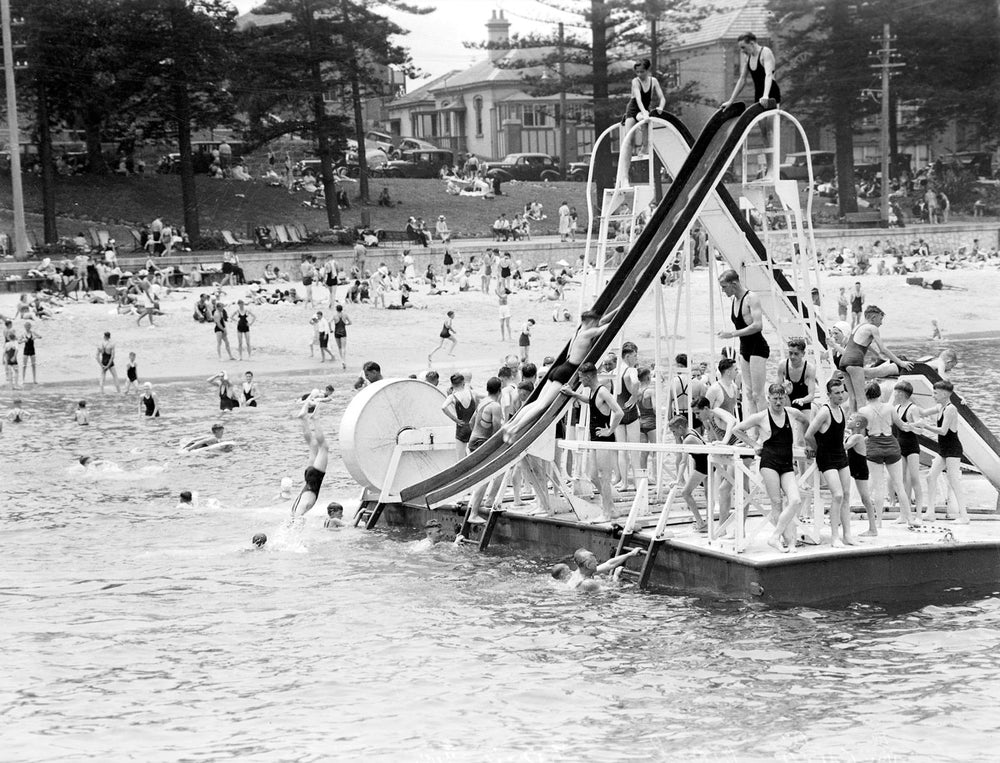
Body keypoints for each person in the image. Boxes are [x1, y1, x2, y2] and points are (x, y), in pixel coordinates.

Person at [503, 306, 621, 442]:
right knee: (542, 406)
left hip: (559, 368)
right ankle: (514, 430)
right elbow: (605, 326)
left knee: (537, 402)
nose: (596, 324)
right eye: (594, 322)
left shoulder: (580, 330)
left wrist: (616, 308)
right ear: (590, 322)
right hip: (567, 372)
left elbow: (602, 321)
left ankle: (511, 424)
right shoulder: (587, 333)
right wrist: (621, 310)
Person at [732, 383, 812, 552]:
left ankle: (775, 536)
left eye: (781, 398)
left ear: (785, 398)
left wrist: (804, 442)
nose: (778, 402)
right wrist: (754, 444)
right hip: (769, 462)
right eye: (774, 399)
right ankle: (788, 541)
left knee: (795, 500)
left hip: (787, 462)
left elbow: (806, 421)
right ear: (768, 399)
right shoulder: (761, 417)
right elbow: (737, 429)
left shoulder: (792, 413)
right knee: (776, 502)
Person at [561, 362, 624, 521]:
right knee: (593, 475)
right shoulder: (593, 391)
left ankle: (607, 513)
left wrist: (609, 430)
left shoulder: (602, 391)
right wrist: (573, 394)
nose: (581, 381)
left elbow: (619, 412)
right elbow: (591, 402)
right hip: (594, 439)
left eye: (581, 378)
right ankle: (611, 507)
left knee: (604, 477)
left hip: (604, 439)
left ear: (589, 376)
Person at [803, 378, 855, 546]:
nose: (840, 396)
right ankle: (834, 537)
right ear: (829, 395)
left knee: (846, 495)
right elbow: (809, 434)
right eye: (837, 393)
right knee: (837, 495)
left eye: (842, 392)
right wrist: (817, 449)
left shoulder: (841, 409)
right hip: (826, 457)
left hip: (840, 454)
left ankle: (847, 535)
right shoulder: (825, 412)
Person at [858, 380, 917, 526]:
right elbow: (902, 427)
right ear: (879, 393)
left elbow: (860, 434)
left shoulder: (863, 411)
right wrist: (917, 426)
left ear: (866, 395)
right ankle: (909, 518)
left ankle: (878, 522)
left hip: (874, 446)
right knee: (899, 485)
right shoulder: (890, 408)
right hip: (891, 445)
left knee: (878, 486)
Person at [721, 31, 781, 170]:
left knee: (771, 130)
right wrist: (731, 100)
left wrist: (766, 95)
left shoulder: (765, 53)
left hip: (771, 93)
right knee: (764, 133)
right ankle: (769, 168)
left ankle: (775, 168)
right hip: (759, 94)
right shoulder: (748, 58)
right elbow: (742, 79)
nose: (742, 51)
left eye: (743, 47)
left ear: (752, 43)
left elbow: (768, 75)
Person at [838, 305, 912, 411]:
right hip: (854, 362)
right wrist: (901, 363)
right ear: (873, 317)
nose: (881, 323)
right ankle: (861, 426)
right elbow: (883, 348)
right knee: (861, 399)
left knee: (852, 398)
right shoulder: (872, 328)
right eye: (880, 319)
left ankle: (851, 424)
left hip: (843, 362)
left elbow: (864, 344)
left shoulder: (858, 326)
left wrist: (877, 355)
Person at [718, 270, 768, 414]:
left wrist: (732, 334)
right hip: (744, 347)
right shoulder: (735, 300)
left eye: (724, 286)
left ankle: (766, 431)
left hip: (758, 347)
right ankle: (754, 431)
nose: (723, 290)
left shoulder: (751, 298)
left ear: (733, 283)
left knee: (758, 394)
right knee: (749, 394)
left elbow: (758, 325)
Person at [919, 380, 969, 524]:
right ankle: (930, 513)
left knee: (953, 480)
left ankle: (964, 516)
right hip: (944, 449)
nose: (933, 395)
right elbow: (922, 412)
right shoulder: (940, 406)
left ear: (945, 394)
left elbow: (943, 430)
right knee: (930, 477)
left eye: (935, 393)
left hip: (953, 449)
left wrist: (925, 427)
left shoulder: (950, 409)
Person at [614, 59, 666, 191]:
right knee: (629, 141)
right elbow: (638, 99)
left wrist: (660, 107)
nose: (639, 74)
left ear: (648, 71)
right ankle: (624, 177)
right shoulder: (635, 82)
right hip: (633, 110)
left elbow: (662, 98)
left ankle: (644, 147)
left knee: (646, 123)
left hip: (643, 111)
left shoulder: (653, 81)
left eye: (642, 71)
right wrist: (644, 112)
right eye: (637, 72)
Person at [289, 392, 331, 518]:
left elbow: (299, 512)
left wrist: (298, 520)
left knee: (323, 447)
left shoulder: (304, 504)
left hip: (313, 478)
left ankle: (314, 419)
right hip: (308, 477)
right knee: (313, 445)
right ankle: (304, 419)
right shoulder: (299, 503)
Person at [667, 415, 709, 532]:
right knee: (707, 494)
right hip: (706, 463)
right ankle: (707, 522)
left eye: (674, 431)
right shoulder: (692, 431)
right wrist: (677, 437)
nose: (673, 434)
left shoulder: (688, 439)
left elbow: (683, 461)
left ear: (680, 428)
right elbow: (681, 449)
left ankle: (701, 523)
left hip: (703, 466)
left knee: (685, 492)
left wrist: (677, 479)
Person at [844, 412, 879, 536]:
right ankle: (839, 520)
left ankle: (873, 529)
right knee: (844, 494)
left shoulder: (857, 437)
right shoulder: (850, 436)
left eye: (851, 419)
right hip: (853, 468)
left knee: (865, 499)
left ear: (857, 424)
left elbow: (844, 447)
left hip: (860, 469)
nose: (848, 420)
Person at [892, 380, 923, 516]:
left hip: (912, 447)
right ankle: (905, 514)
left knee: (915, 479)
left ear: (903, 394)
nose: (895, 394)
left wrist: (912, 427)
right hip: (900, 447)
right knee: (902, 480)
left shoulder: (912, 408)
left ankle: (919, 514)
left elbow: (920, 430)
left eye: (897, 392)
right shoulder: (897, 408)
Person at [613, 341, 642, 491]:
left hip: (618, 411)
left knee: (621, 450)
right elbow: (636, 382)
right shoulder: (631, 370)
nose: (636, 358)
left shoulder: (615, 371)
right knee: (634, 449)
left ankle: (624, 483)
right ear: (628, 356)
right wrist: (634, 396)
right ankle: (637, 483)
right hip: (630, 411)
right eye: (635, 356)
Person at [562, 547, 644, 591]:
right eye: (595, 562)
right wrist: (616, 576)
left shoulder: (579, 571)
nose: (597, 563)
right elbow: (611, 591)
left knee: (599, 577)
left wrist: (630, 554)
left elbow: (608, 564)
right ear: (587, 565)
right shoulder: (588, 583)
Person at [441, 372, 477, 459]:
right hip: (473, 427)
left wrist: (455, 419)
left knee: (460, 458)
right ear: (463, 383)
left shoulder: (452, 397)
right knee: (475, 455)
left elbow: (443, 407)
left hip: (461, 428)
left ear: (452, 384)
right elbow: (486, 397)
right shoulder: (472, 393)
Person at [778, 338, 816, 412]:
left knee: (805, 422)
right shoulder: (782, 365)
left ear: (803, 354)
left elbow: (811, 395)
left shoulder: (809, 368)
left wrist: (802, 400)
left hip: (804, 404)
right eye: (790, 353)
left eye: (796, 354)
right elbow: (776, 390)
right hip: (787, 403)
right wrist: (785, 391)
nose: (792, 356)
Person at [332, 304, 351, 370]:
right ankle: (344, 360)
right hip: (343, 332)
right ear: (342, 309)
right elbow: (350, 322)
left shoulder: (335, 315)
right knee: (343, 347)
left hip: (336, 332)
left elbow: (329, 322)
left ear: (336, 309)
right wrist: (346, 324)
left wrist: (330, 329)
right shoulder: (345, 315)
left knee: (339, 347)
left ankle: (342, 360)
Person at [19, 321, 38, 385]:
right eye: (26, 326)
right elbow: (18, 341)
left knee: (33, 365)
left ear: (30, 326)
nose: (28, 328)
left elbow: (40, 336)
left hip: (32, 350)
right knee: (24, 365)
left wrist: (35, 337)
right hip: (26, 350)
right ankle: (23, 380)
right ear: (25, 327)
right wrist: (23, 341)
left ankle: (34, 380)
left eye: (29, 326)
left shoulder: (33, 332)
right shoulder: (23, 334)